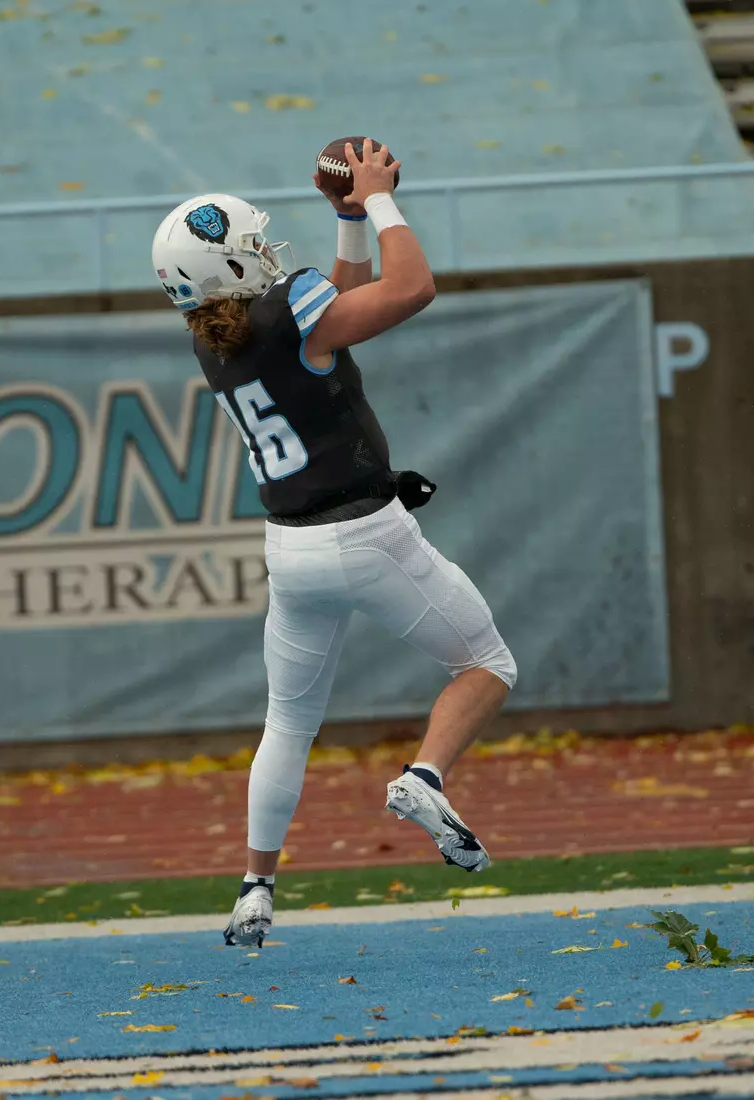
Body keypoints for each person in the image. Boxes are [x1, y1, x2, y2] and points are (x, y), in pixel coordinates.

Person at [149, 141, 519, 947]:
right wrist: (381, 200)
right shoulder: (287, 311)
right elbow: (409, 288)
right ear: (233, 264)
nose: (265, 252)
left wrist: (346, 222)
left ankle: (254, 887)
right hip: (366, 533)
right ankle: (424, 777)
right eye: (251, 246)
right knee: (487, 665)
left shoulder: (216, 337)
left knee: (287, 721)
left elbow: (330, 319)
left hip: (291, 549)